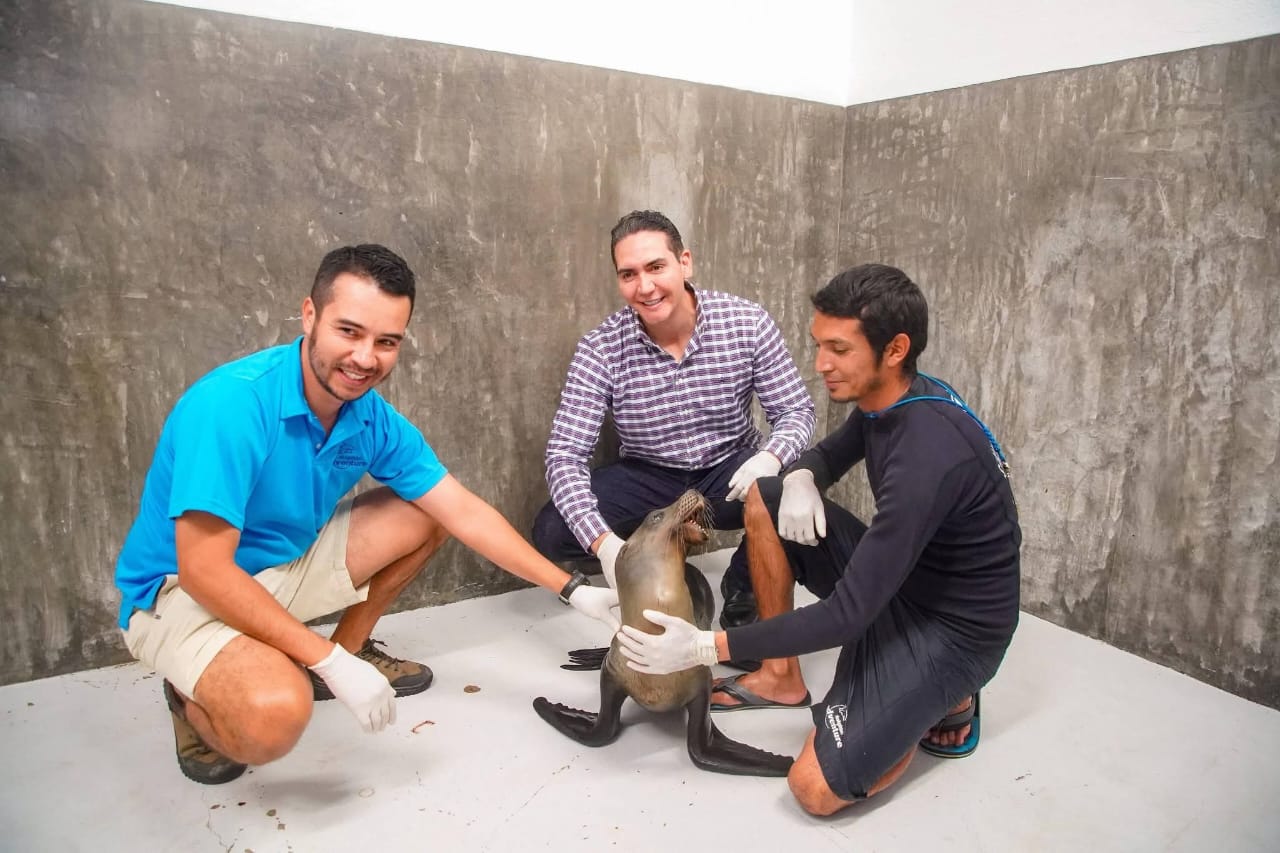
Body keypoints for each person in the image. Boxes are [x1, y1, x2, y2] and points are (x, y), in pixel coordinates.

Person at [114, 244, 620, 785]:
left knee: (425, 513)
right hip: (182, 593)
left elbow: (461, 510)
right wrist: (324, 664)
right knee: (273, 719)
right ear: (309, 315)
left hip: (283, 566)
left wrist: (572, 590)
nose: (364, 358)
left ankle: (346, 649)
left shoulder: (367, 415)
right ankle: (189, 697)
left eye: (386, 342)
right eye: (348, 331)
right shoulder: (231, 407)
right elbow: (204, 571)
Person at [615, 263, 1021, 816]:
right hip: (904, 582)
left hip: (952, 630)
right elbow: (831, 453)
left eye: (838, 349)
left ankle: (946, 697)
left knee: (813, 788)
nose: (821, 365)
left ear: (895, 348)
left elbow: (847, 616)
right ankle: (782, 677)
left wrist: (705, 647)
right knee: (767, 493)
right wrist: (804, 474)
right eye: (818, 344)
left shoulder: (927, 458)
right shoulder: (892, 401)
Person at [531, 210, 815, 632]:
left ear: (685, 263)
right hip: (649, 478)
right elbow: (565, 454)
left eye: (655, 267)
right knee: (552, 530)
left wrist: (770, 458)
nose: (644, 287)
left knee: (796, 488)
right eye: (628, 274)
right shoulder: (600, 347)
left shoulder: (747, 322)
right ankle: (654, 565)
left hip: (729, 472)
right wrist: (605, 546)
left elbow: (796, 411)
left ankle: (745, 585)